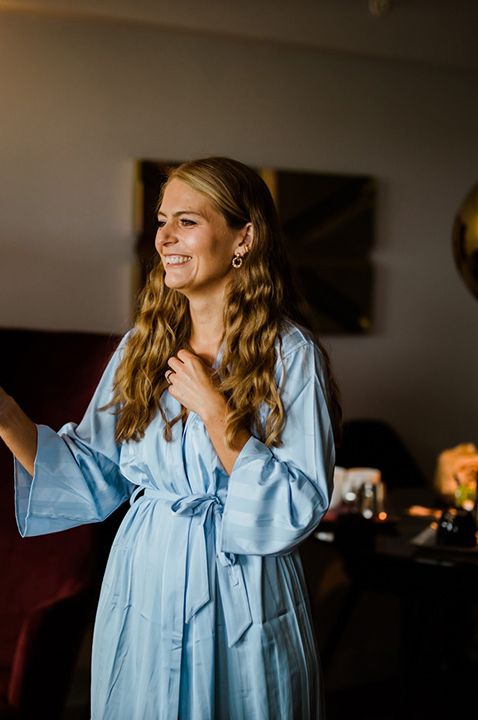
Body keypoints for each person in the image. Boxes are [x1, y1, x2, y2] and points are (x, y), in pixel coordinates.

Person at [0, 157, 341, 719]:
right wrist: (7, 413)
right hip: (146, 575)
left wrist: (213, 409)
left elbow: (297, 502)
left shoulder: (289, 354)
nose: (164, 238)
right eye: (161, 221)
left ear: (243, 237)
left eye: (187, 221)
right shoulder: (142, 346)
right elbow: (88, 475)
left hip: (243, 583)